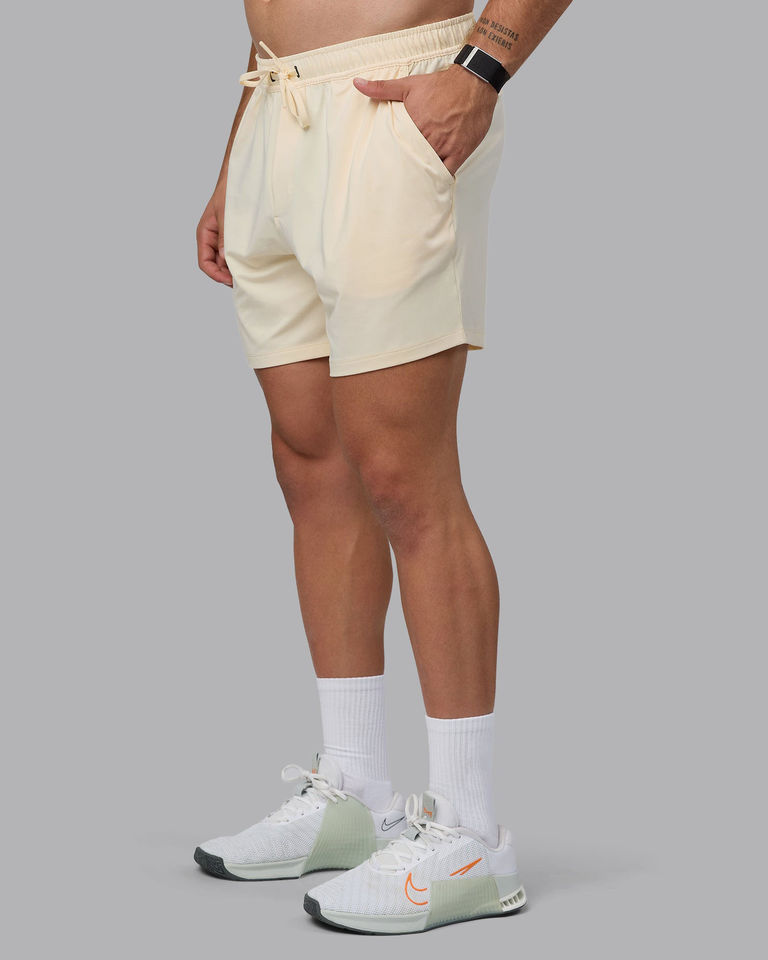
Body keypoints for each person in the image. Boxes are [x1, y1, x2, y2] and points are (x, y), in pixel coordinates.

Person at [194, 0, 573, 935]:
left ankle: (471, 836)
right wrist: (238, 154)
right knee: (309, 463)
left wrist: (480, 72)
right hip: (276, 107)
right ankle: (355, 788)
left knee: (407, 478)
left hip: (392, 101)